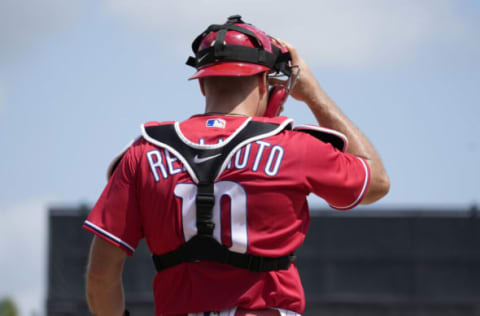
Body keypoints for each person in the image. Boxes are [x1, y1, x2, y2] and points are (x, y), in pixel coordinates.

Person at [84, 15, 390, 316]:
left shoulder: (143, 152)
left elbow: (101, 277)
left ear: (202, 85)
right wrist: (312, 93)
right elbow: (376, 182)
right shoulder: (295, 147)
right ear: (264, 82)